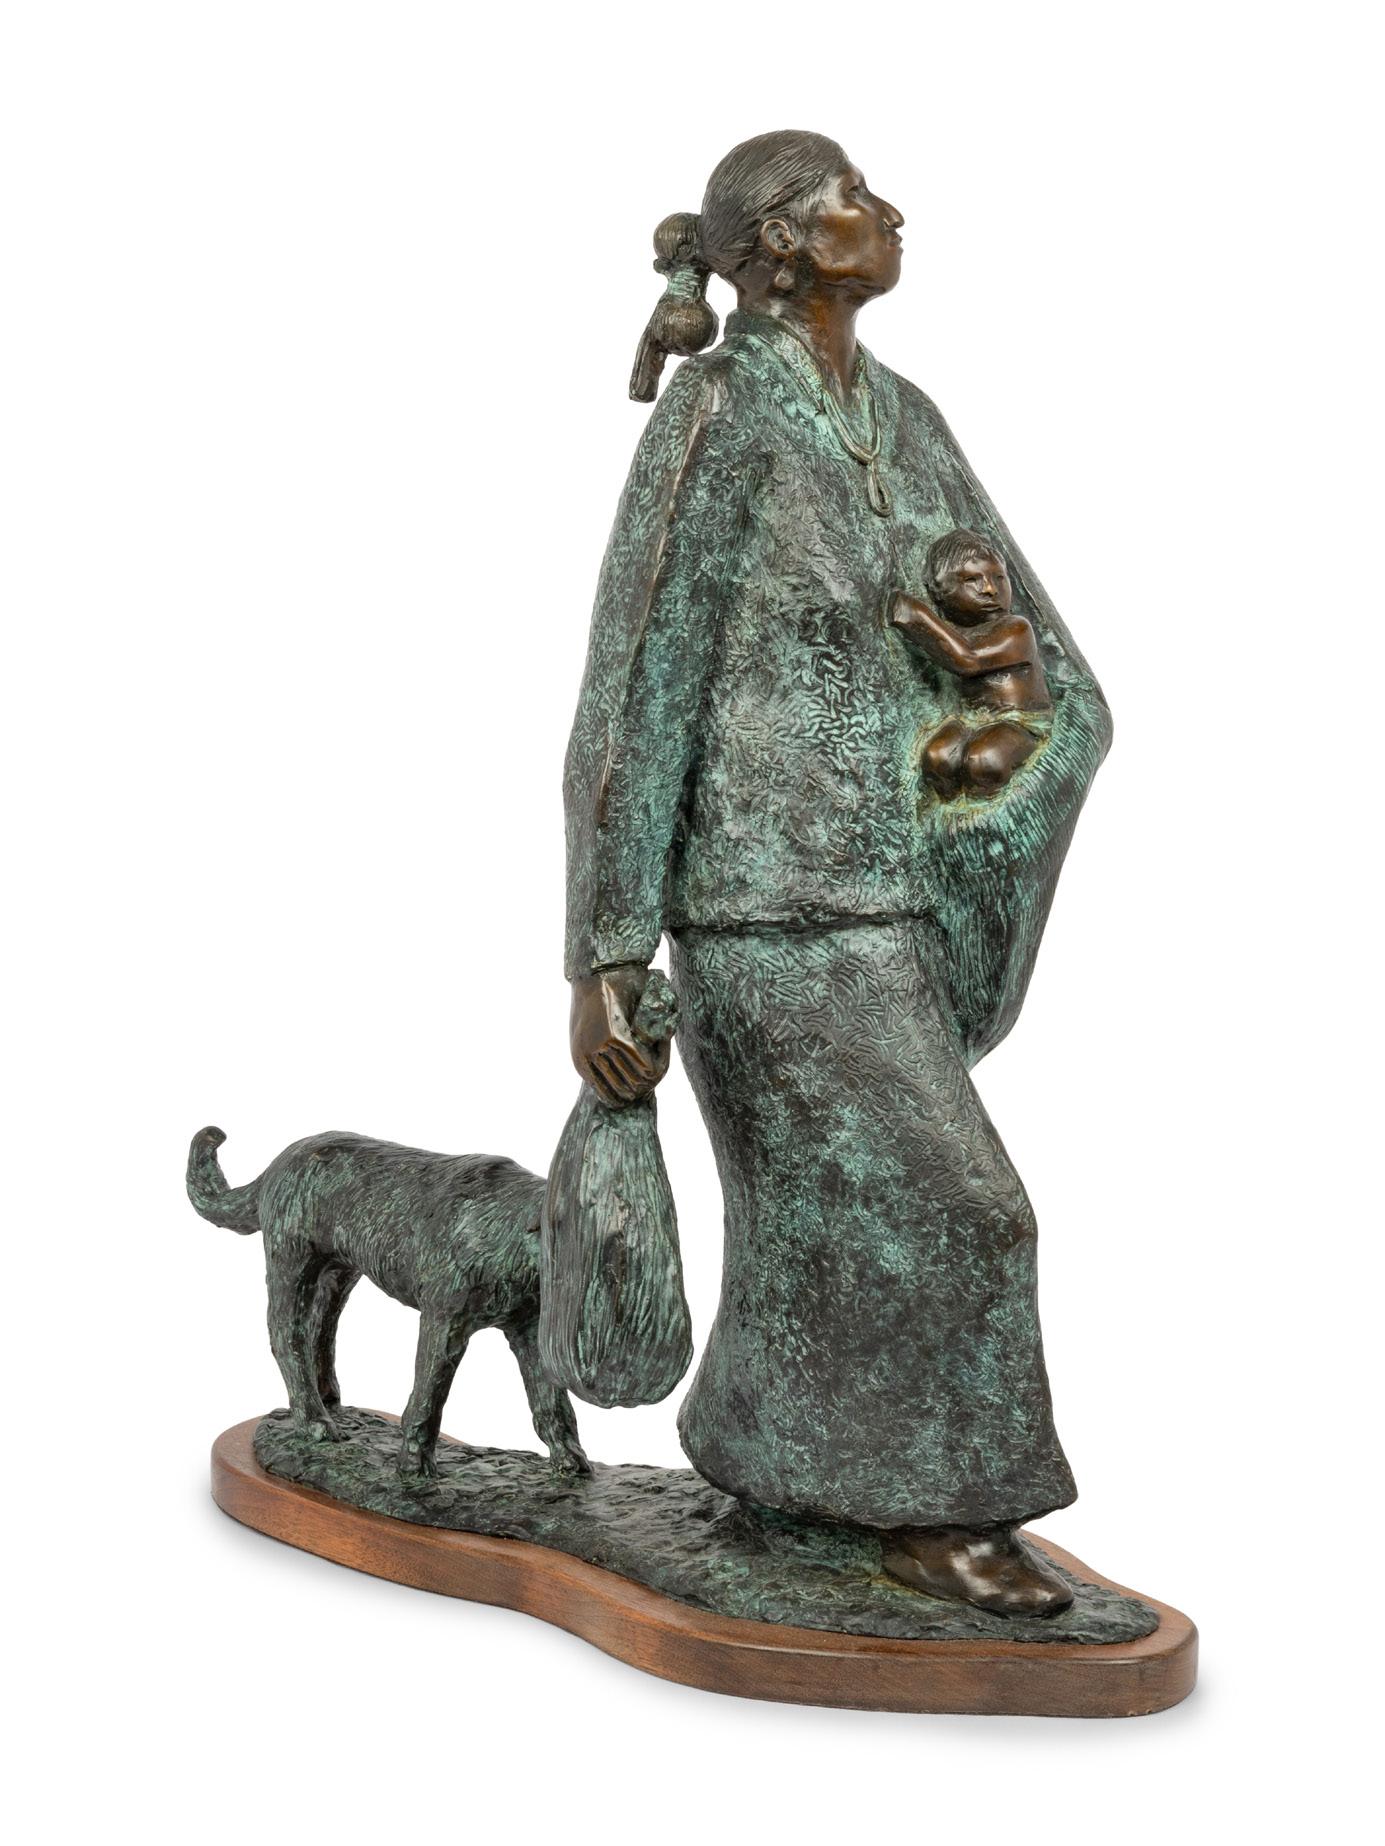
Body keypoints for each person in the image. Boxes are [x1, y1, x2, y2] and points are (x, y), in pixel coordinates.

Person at [563, 131, 1112, 1617]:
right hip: (759, 906)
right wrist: (605, 946)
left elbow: (1032, 660)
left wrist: (991, 768)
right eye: (853, 198)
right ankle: (943, 1509)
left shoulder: (904, 415)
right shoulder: (717, 412)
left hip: (889, 888)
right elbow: (635, 686)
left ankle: (781, 1471)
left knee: (818, 1217)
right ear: (784, 247)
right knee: (965, 1208)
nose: (889, 213)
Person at [892, 528, 1053, 801]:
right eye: (972, 580)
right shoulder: (952, 631)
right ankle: (945, 815)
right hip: (971, 721)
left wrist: (913, 615)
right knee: (938, 756)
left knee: (984, 760)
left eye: (999, 578)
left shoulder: (1016, 629)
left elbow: (968, 659)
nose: (990, 589)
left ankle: (985, 817)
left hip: (1021, 724)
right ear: (941, 592)